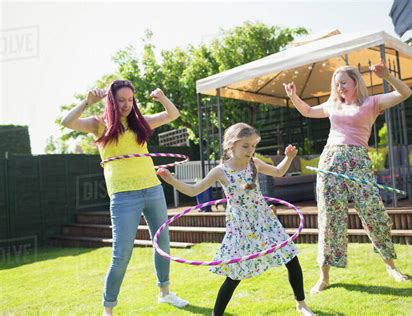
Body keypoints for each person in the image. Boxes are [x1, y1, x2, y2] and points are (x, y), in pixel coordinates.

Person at [283, 60, 412, 295]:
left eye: (343, 82)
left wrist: (386, 75)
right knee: (329, 218)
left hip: (358, 163)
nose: (340, 87)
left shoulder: (372, 102)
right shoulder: (333, 104)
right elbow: (308, 111)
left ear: (355, 82)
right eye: (336, 84)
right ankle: (324, 277)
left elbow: (405, 92)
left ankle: (390, 266)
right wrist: (293, 96)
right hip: (330, 161)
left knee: (373, 212)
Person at [158, 123, 314, 316]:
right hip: (241, 226)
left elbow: (278, 172)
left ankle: (301, 304)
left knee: (291, 258)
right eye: (246, 146)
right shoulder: (221, 171)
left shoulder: (254, 163)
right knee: (234, 274)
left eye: (253, 146)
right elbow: (194, 190)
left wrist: (289, 158)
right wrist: (172, 180)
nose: (251, 150)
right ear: (232, 145)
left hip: (265, 220)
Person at [60, 79, 188, 315]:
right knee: (122, 254)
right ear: (111, 100)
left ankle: (165, 293)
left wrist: (161, 97)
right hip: (123, 195)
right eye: (121, 100)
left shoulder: (140, 122)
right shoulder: (99, 124)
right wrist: (86, 102)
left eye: (130, 99)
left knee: (162, 243)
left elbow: (173, 114)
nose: (127, 104)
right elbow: (66, 122)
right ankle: (108, 309)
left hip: (152, 188)